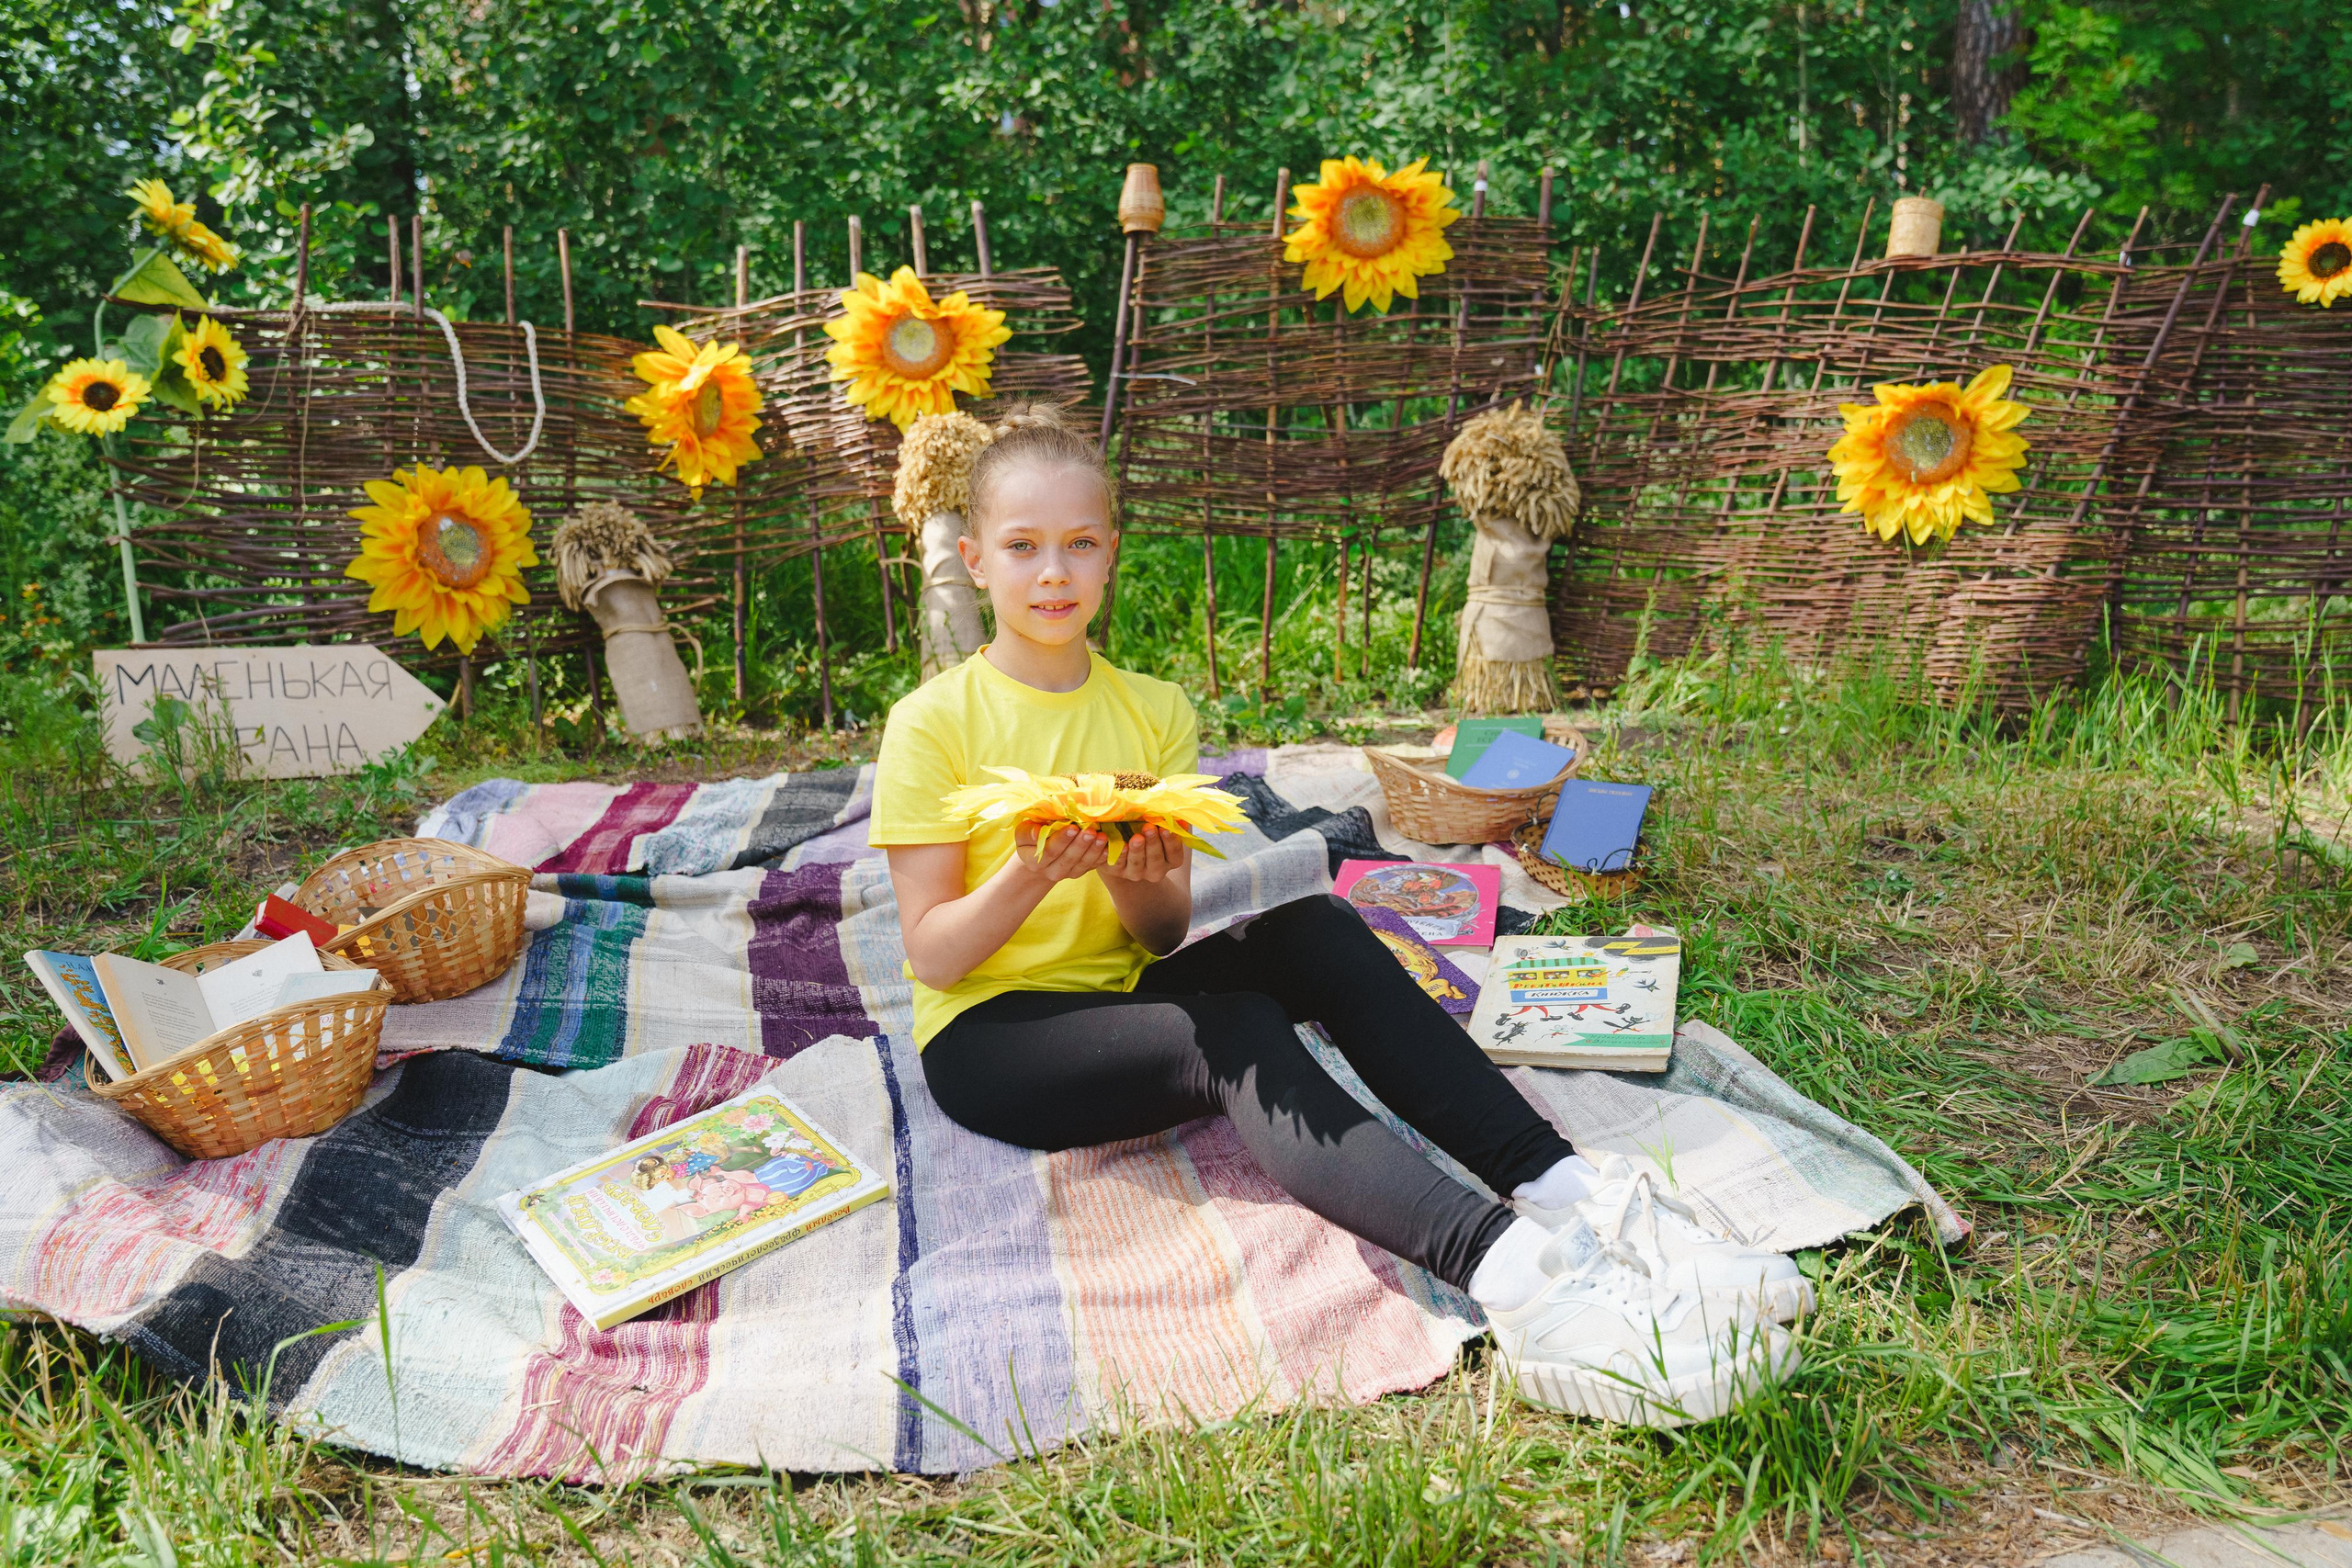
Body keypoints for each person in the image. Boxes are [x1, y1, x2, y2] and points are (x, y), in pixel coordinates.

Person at [869, 405, 1804, 1427]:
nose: (1052, 572)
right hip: (992, 1040)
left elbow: (1155, 936)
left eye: (1078, 544)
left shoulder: (1151, 709)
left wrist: (1129, 870)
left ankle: (1577, 1197)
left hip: (1117, 991)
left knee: (1309, 923)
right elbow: (936, 955)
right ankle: (1525, 1280)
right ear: (974, 559)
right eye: (1022, 548)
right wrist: (1032, 875)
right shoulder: (931, 725)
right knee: (1232, 1029)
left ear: (1110, 556)